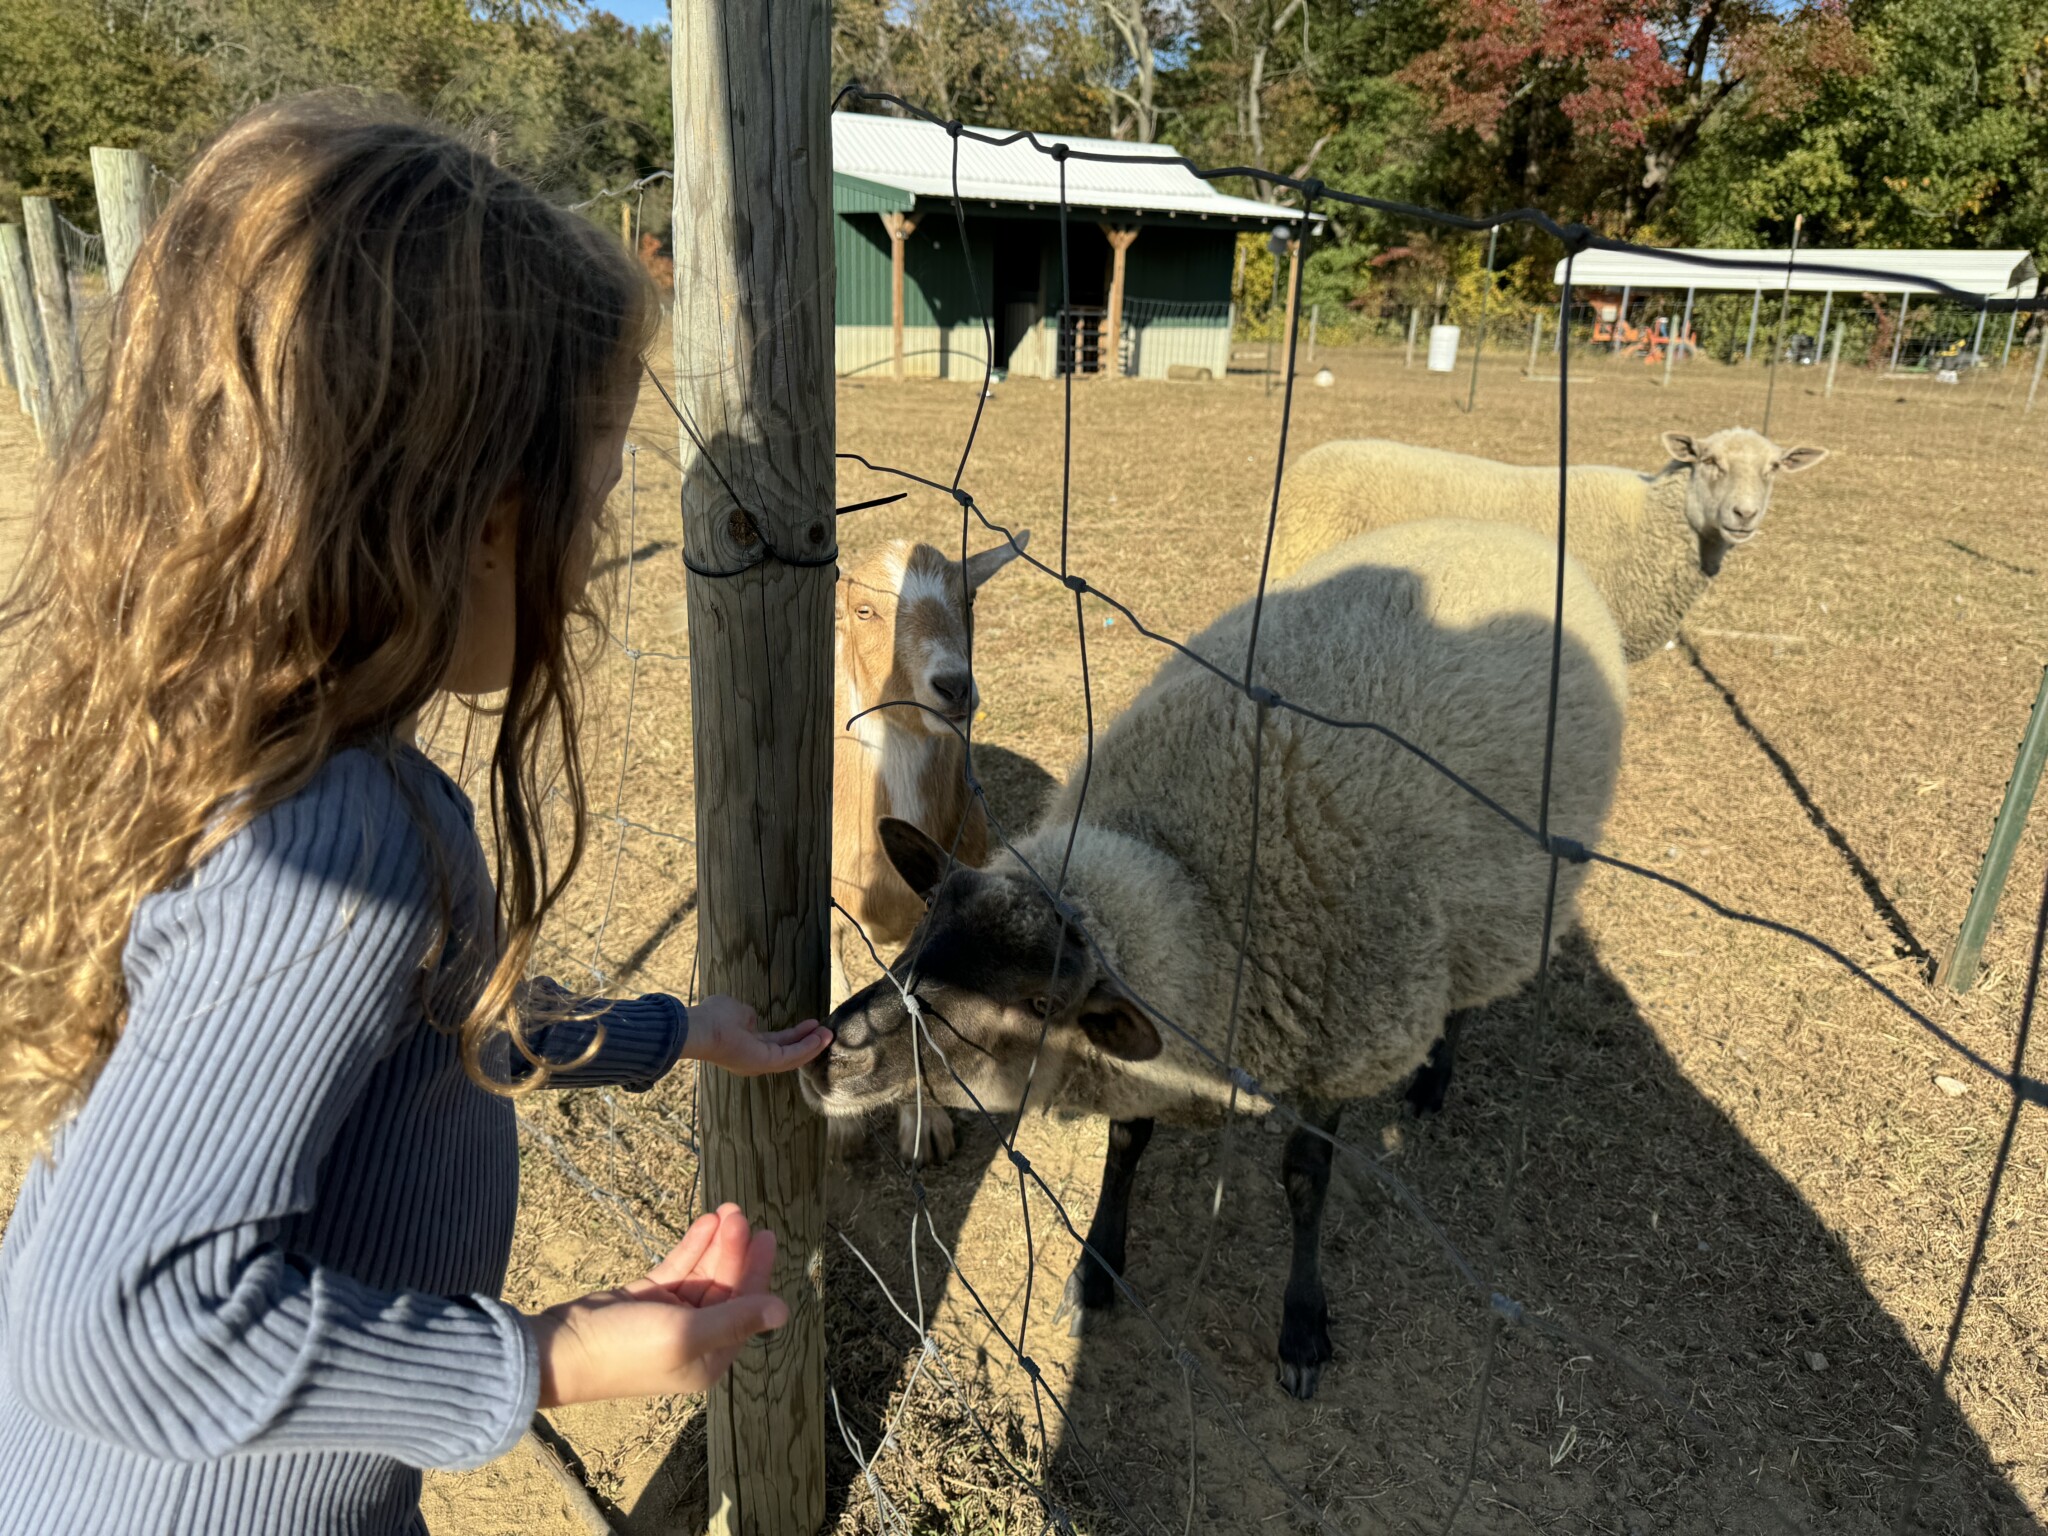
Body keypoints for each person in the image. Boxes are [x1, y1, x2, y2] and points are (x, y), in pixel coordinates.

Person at [0, 94, 829, 1535]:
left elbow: (420, 1024)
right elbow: (115, 1328)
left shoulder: (223, 752)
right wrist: (556, 1357)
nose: (594, 552)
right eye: (597, 491)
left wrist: (672, 1032)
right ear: (482, 517)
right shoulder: (342, 845)